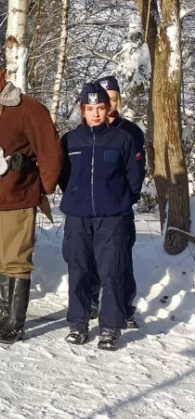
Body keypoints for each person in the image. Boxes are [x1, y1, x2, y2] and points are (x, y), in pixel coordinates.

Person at [0, 55, 63, 344]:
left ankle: (16, 323)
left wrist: (39, 187)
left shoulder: (27, 108)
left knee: (16, 259)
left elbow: (50, 151)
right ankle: (5, 313)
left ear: (3, 75)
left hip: (15, 195)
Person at [59, 82, 143, 351]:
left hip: (112, 218)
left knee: (112, 272)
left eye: (100, 108)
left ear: (108, 109)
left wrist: (120, 200)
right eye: (89, 108)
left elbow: (134, 178)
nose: (95, 114)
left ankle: (110, 327)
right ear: (82, 110)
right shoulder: (70, 140)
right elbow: (63, 176)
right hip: (78, 217)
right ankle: (78, 323)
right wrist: (75, 195)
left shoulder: (123, 139)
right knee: (79, 271)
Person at [92, 75, 146, 329]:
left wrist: (126, 199)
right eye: (105, 99)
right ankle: (91, 302)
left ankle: (124, 307)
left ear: (118, 100)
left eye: (113, 99)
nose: (109, 104)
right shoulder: (87, 130)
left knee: (120, 259)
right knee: (91, 257)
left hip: (118, 207)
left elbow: (137, 172)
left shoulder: (130, 131)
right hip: (90, 206)